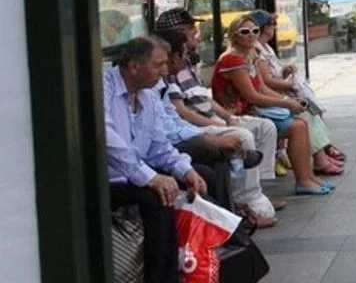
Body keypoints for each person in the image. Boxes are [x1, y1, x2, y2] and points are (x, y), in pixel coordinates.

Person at [104, 36, 208, 283]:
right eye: (158, 65)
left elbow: (160, 146)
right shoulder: (104, 87)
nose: (164, 73)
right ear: (134, 67)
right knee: (157, 198)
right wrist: (150, 177)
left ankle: (199, 264)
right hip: (106, 178)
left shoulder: (148, 96)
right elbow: (108, 141)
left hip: (134, 173)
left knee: (201, 179)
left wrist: (185, 170)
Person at [154, 28, 278, 227]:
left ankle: (234, 214)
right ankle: (238, 207)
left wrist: (225, 121)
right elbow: (176, 122)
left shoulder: (165, 80)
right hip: (172, 141)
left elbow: (182, 116)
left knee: (219, 162)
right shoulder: (157, 84)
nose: (162, 70)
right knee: (224, 149)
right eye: (245, 31)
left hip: (181, 135)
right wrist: (212, 136)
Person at [212, 14, 333, 195]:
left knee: (302, 121)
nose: (251, 35)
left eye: (255, 31)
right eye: (245, 32)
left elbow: (261, 88)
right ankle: (303, 179)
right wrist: (287, 103)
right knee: (297, 127)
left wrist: (287, 101)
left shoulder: (249, 55)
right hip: (239, 115)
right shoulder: (232, 60)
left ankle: (308, 176)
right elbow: (252, 96)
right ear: (234, 36)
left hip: (253, 110)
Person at [247, 9, 345, 175]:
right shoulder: (253, 53)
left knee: (309, 110)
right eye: (272, 24)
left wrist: (286, 74)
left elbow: (265, 83)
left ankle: (323, 151)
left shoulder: (265, 49)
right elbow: (263, 86)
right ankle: (319, 159)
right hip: (267, 100)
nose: (275, 28)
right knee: (303, 115)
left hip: (275, 94)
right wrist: (287, 96)